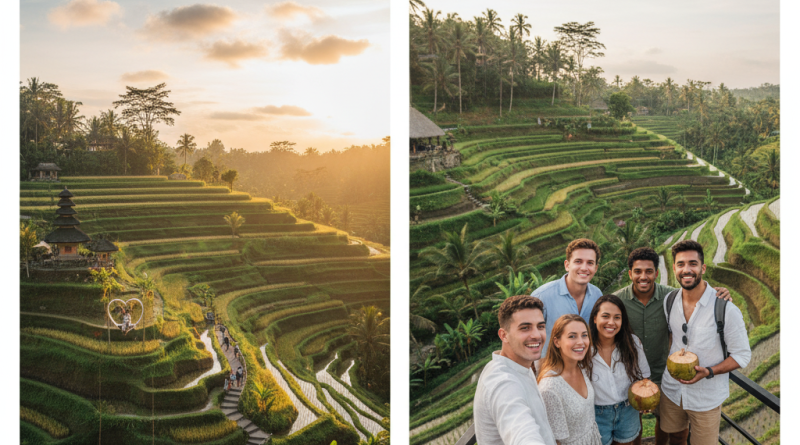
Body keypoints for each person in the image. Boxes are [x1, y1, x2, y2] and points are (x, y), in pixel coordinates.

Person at [613, 247, 731, 445]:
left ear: (657, 273)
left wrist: (720, 292)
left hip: (665, 376)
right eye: (638, 271)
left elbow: (697, 293)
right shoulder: (617, 301)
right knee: (633, 429)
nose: (643, 276)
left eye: (649, 271)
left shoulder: (673, 298)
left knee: (670, 427)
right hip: (629, 376)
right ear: (630, 273)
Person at [659, 240, 751, 445]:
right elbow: (672, 336)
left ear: (703, 267)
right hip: (672, 389)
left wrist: (708, 371)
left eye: (693, 263)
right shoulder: (670, 301)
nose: (687, 269)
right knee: (674, 436)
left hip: (706, 396)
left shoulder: (726, 309)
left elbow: (742, 355)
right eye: (681, 264)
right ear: (673, 268)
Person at [473, 295, 557, 445]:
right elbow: (521, 431)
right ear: (504, 335)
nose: (536, 335)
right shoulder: (503, 382)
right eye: (525, 328)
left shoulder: (520, 365)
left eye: (540, 326)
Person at [589, 295, 651, 445]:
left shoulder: (633, 343)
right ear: (595, 318)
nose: (611, 322)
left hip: (627, 410)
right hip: (596, 414)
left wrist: (644, 400)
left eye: (617, 317)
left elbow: (644, 377)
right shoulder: (584, 348)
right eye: (605, 316)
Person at [538, 314, 602, 445]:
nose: (580, 342)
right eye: (572, 336)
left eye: (584, 335)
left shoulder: (581, 367)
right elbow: (555, 441)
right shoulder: (550, 388)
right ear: (557, 342)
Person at [533, 239, 603, 358]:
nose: (584, 268)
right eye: (578, 261)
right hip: (551, 368)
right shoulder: (542, 296)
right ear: (567, 265)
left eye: (590, 263)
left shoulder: (597, 295)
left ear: (595, 268)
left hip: (586, 365)